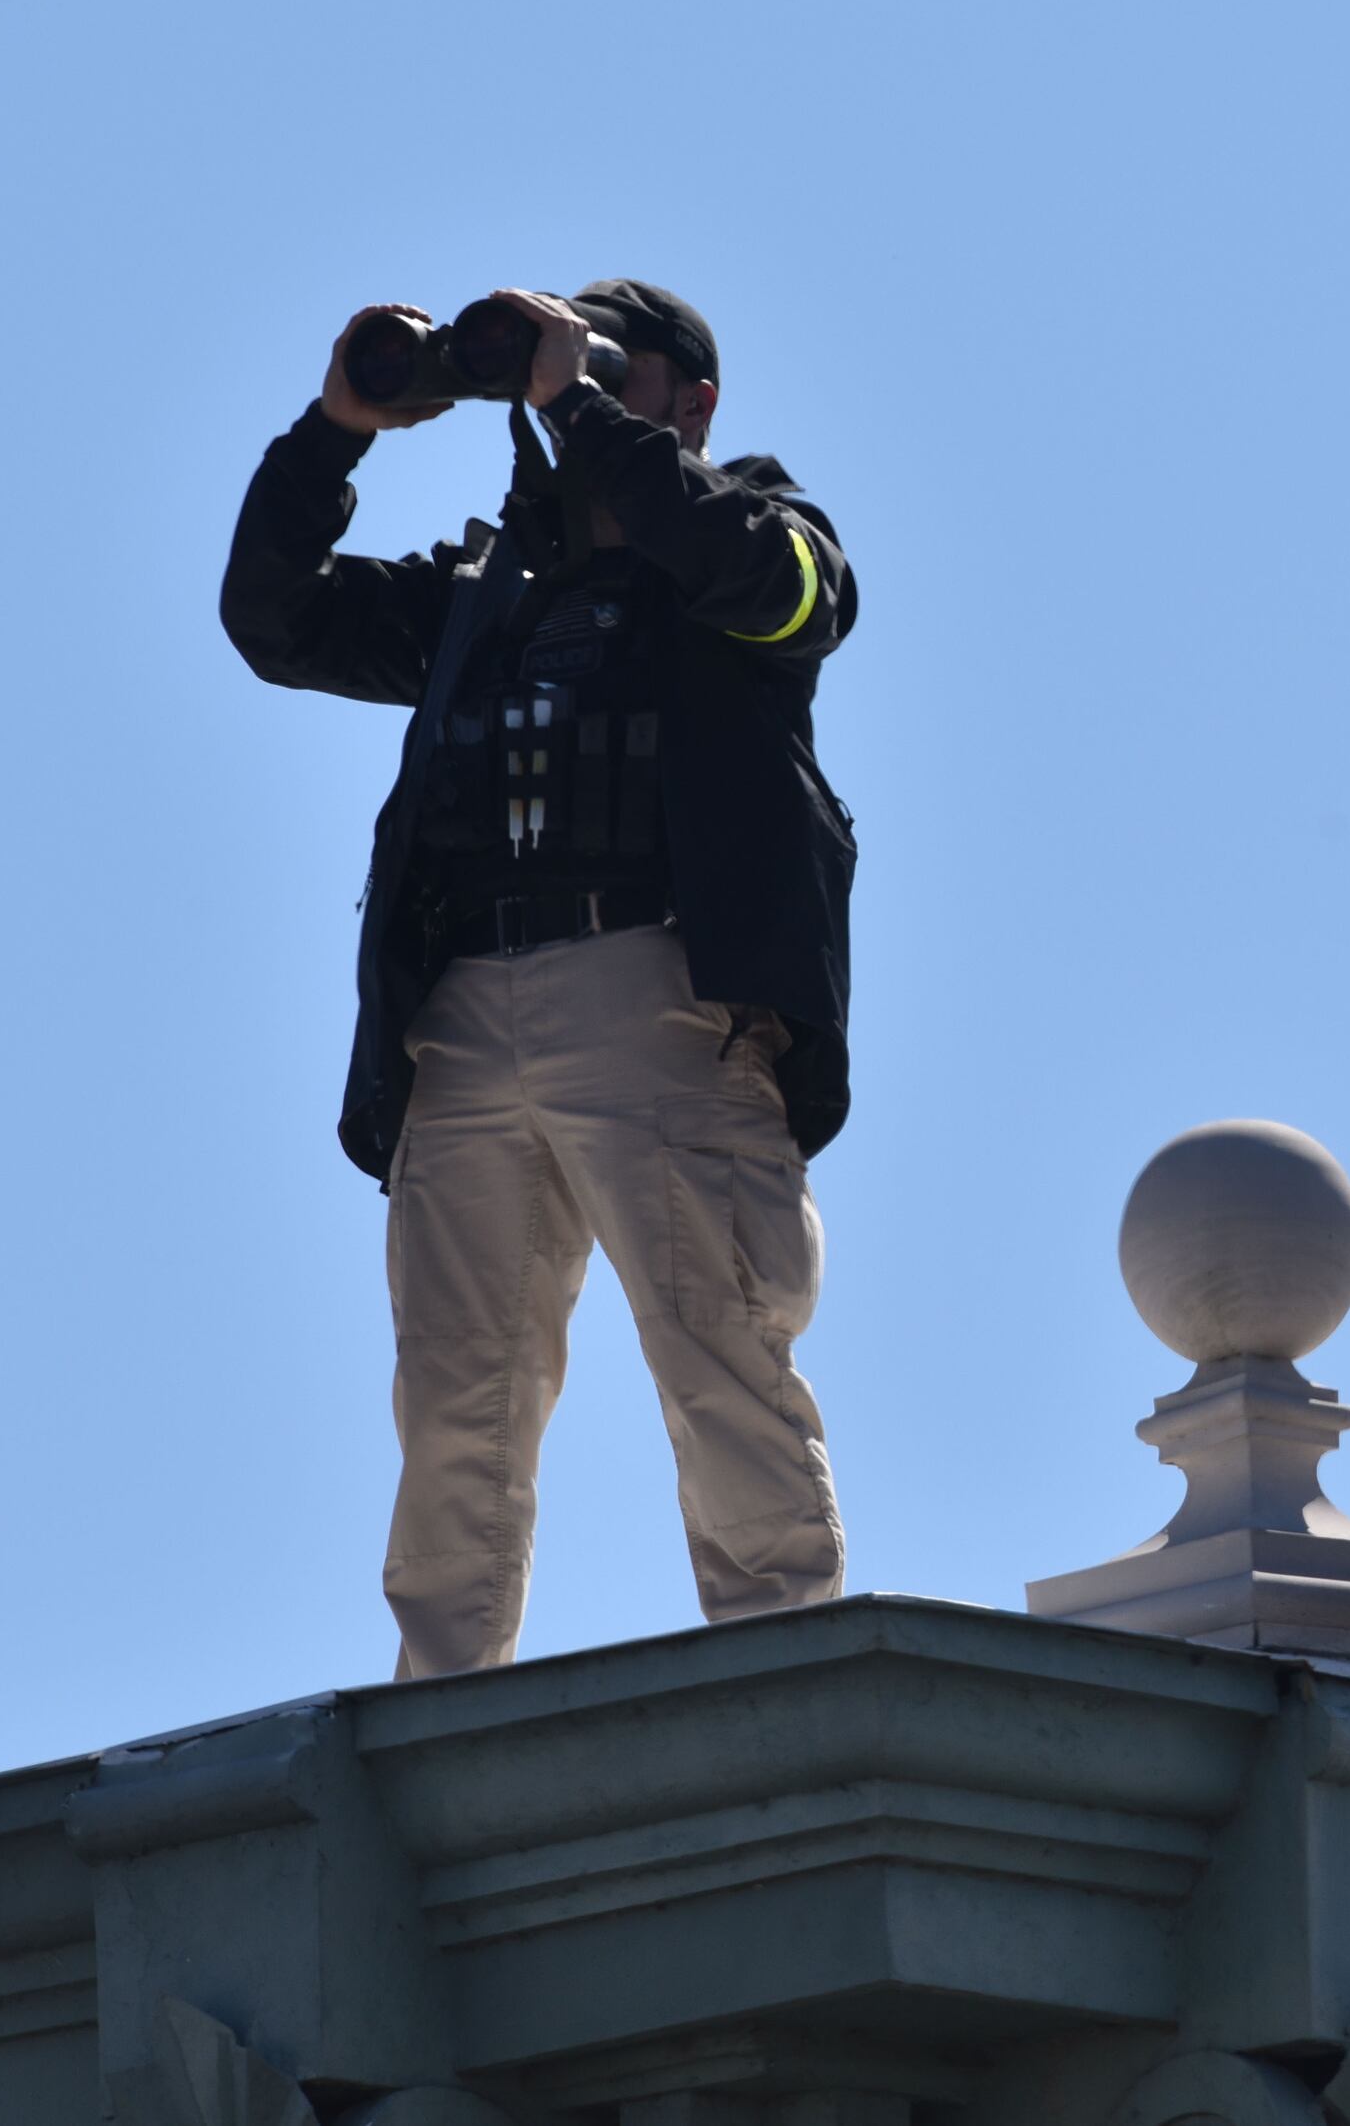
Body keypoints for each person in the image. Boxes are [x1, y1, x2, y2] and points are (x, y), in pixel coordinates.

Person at [221, 281, 862, 1679]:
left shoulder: (752, 543)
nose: (567, 393)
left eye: (613, 373)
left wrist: (578, 405)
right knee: (456, 1389)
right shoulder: (484, 592)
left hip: (657, 993)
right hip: (462, 1016)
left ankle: (791, 1678)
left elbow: (781, 592)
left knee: (716, 1348)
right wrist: (339, 431)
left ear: (690, 404)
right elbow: (276, 623)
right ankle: (439, 1708)